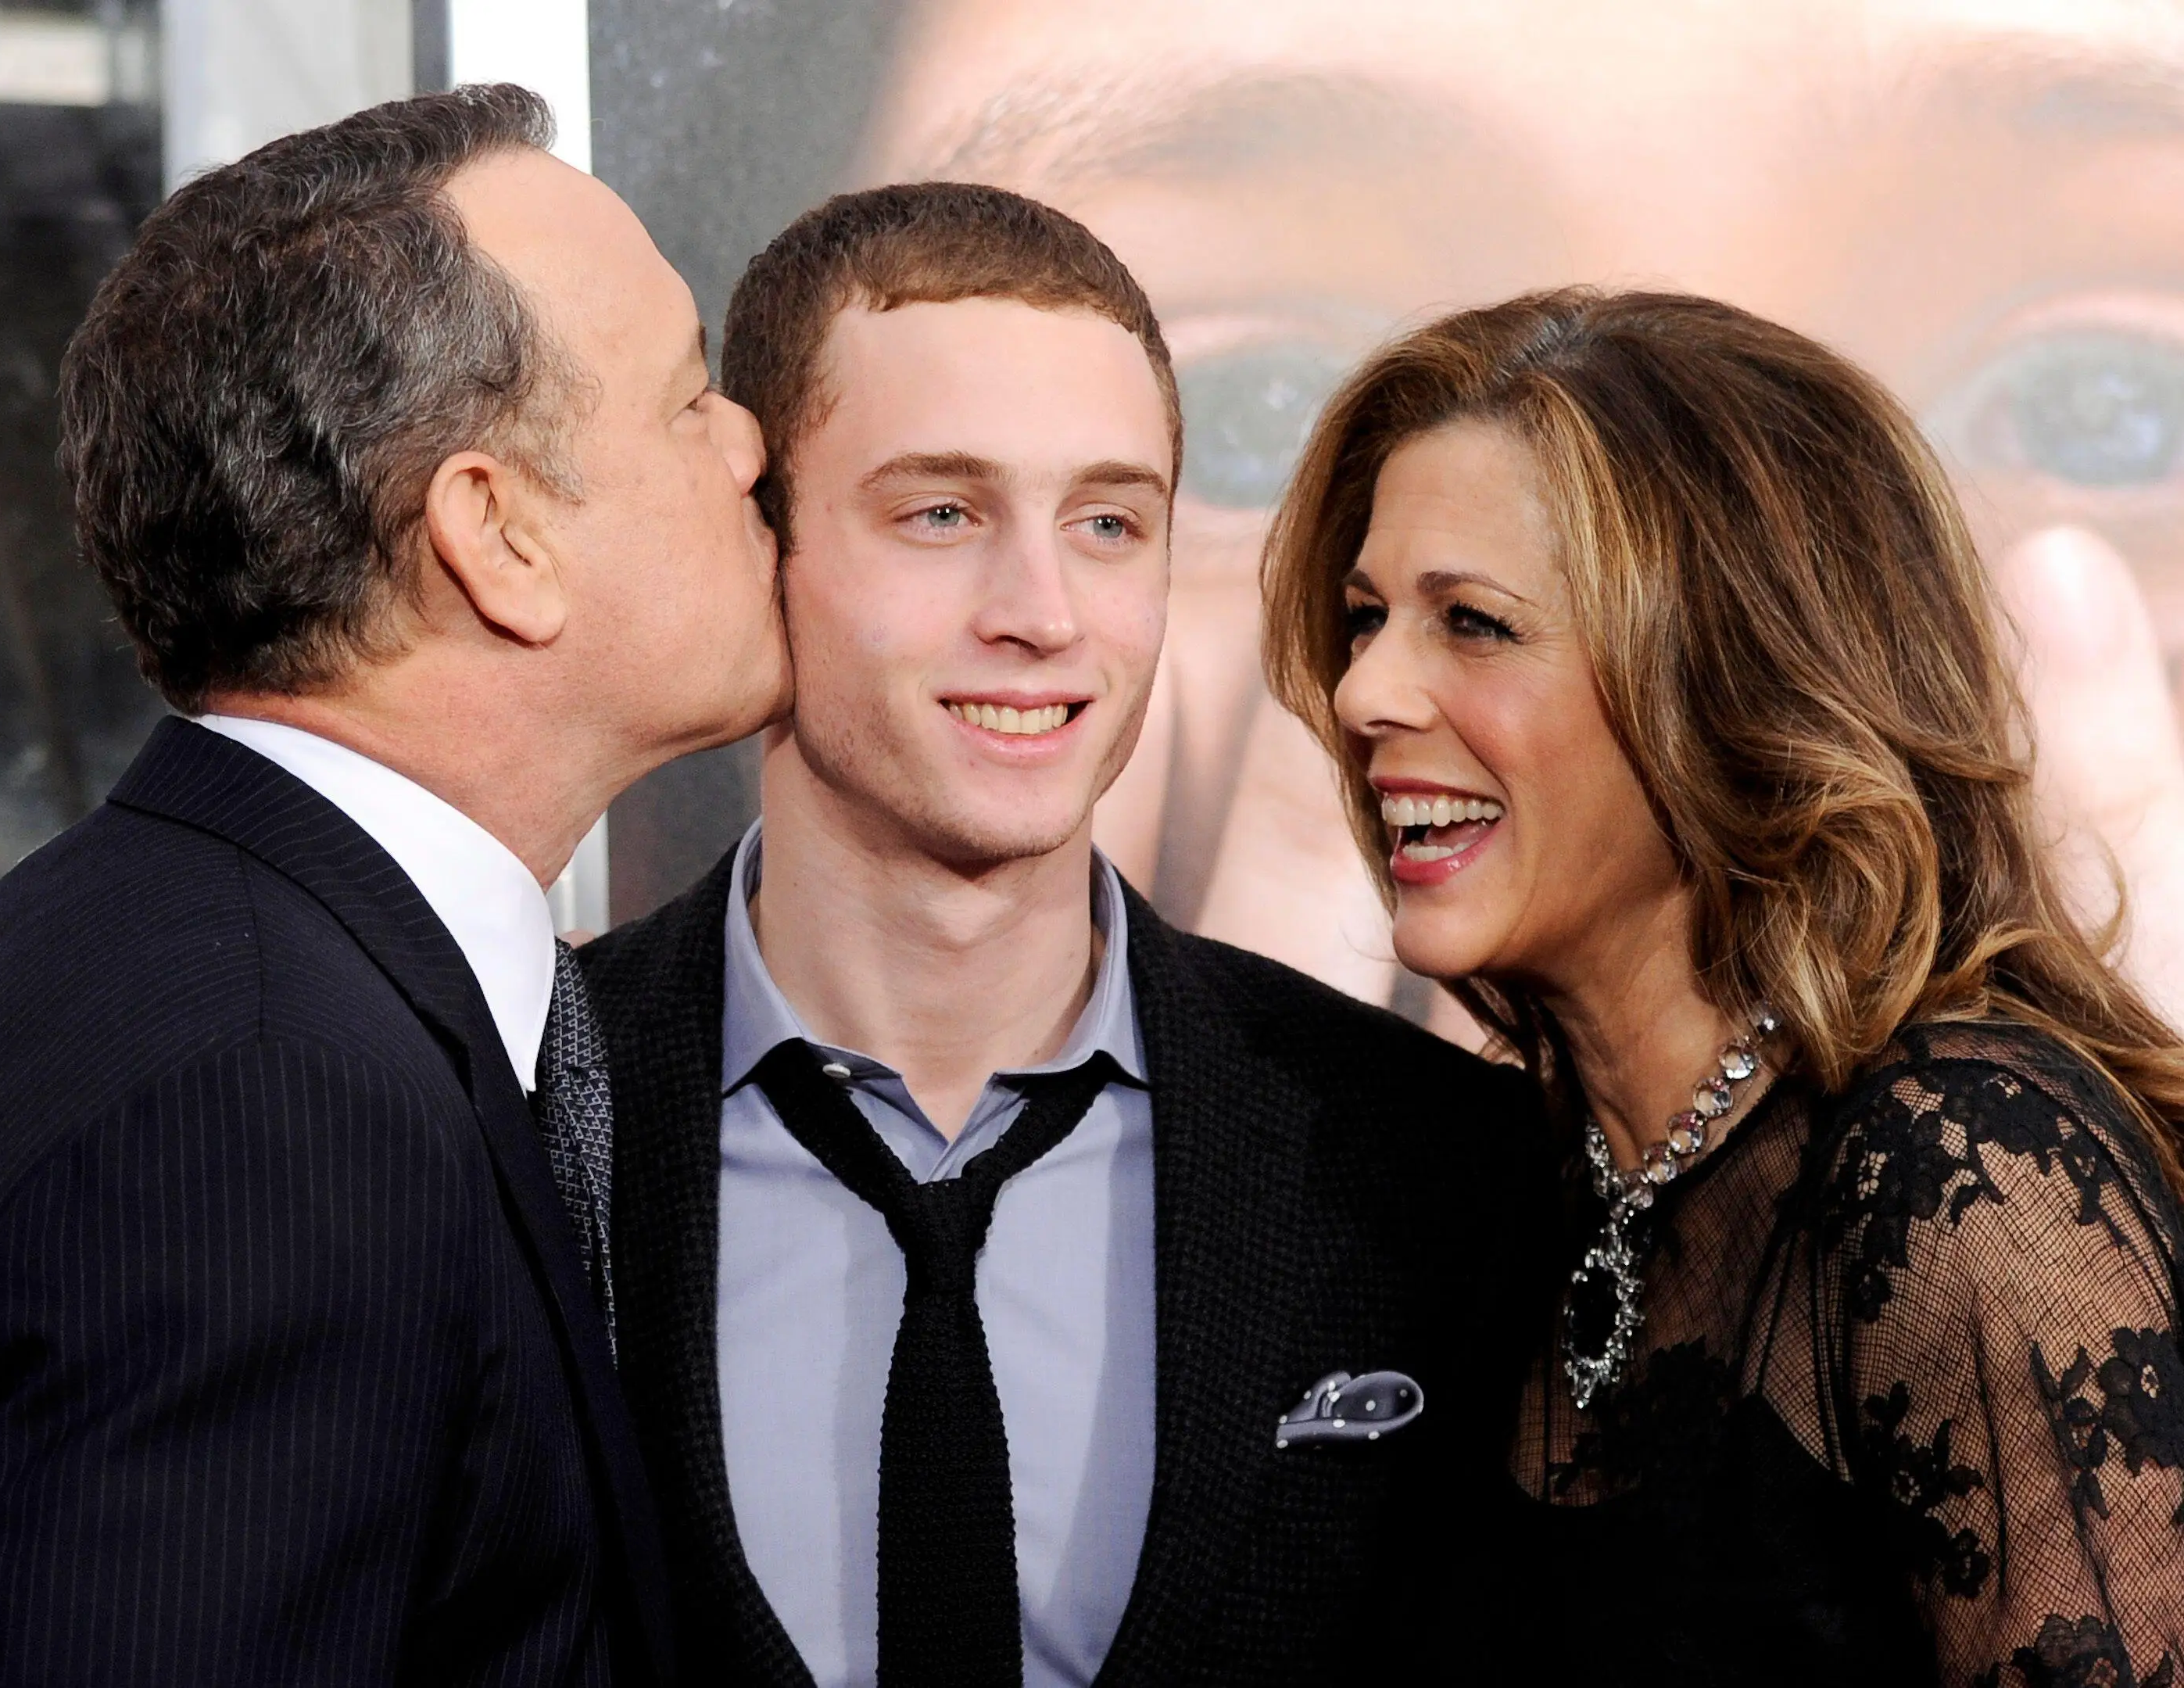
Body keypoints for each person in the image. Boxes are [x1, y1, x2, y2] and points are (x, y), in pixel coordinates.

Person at [602, 0, 2184, 1038]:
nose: (1687, 663)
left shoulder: (1999, 1232)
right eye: (1251, 424)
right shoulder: (577, 1114)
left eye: (2108, 400)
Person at [0, 86, 787, 1683]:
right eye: (689, 399)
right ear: (497, 534)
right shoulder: (268, 1101)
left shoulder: (162, 960)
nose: (752, 441)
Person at [578, 181, 1554, 1688]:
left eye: (1108, 522)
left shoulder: (1429, 1160)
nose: (1041, 609)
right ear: (760, 543)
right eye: (942, 513)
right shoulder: (510, 1108)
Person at [1262, 286, 2184, 1685]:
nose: (1363, 691)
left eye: (1474, 623)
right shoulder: (1513, 1189)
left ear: (1727, 678)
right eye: (1368, 615)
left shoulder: (1962, 1174)